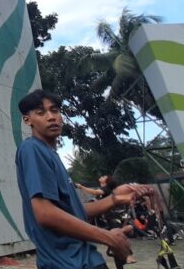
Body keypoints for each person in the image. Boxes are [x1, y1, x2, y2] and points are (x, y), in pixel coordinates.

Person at [15, 89, 154, 269]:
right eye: (41, 113)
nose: (51, 117)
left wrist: (114, 198)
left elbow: (75, 211)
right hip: (66, 263)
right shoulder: (32, 149)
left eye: (55, 110)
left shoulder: (51, 154)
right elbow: (45, 214)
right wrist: (109, 238)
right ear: (28, 120)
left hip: (85, 259)